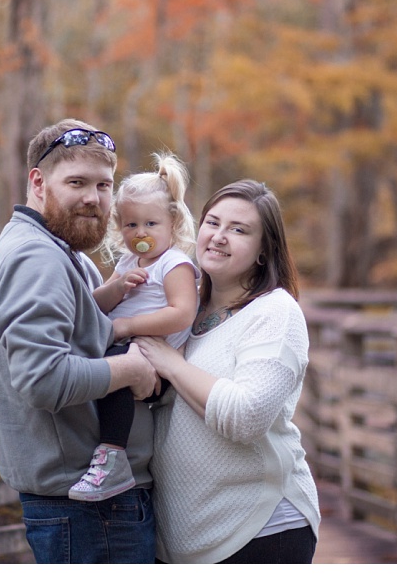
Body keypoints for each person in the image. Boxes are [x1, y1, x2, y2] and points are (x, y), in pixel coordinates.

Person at [0, 118, 159, 564]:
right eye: (76, 182)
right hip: (88, 509)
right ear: (38, 182)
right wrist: (132, 369)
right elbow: (43, 379)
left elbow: (75, 333)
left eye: (103, 185)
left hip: (89, 506)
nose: (93, 198)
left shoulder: (56, 249)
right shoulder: (37, 256)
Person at [136, 179, 321, 564]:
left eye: (239, 230)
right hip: (185, 536)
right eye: (213, 223)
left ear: (263, 251)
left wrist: (171, 362)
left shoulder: (275, 312)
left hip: (261, 530)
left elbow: (247, 416)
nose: (219, 237)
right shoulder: (183, 309)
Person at [70, 152, 200, 502]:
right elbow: (95, 306)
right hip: (124, 347)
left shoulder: (175, 264)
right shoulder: (128, 262)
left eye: (151, 224)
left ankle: (112, 457)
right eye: (131, 225)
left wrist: (127, 325)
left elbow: (182, 313)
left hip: (156, 363)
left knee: (115, 370)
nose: (140, 233)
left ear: (172, 223)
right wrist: (117, 286)